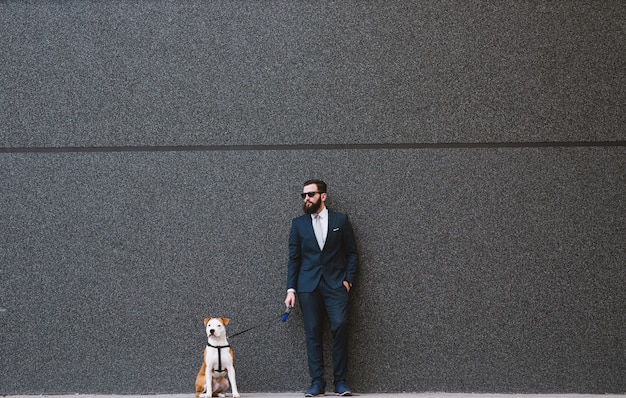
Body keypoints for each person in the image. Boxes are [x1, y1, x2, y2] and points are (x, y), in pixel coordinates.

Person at [284, 179, 359, 397]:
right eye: (304, 195)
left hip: (336, 285)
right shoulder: (298, 224)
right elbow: (294, 259)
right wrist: (291, 289)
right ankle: (317, 382)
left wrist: (348, 280)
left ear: (323, 196)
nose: (306, 198)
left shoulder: (340, 220)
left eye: (311, 194)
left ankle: (340, 382)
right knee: (313, 333)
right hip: (308, 286)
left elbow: (352, 253)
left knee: (340, 325)